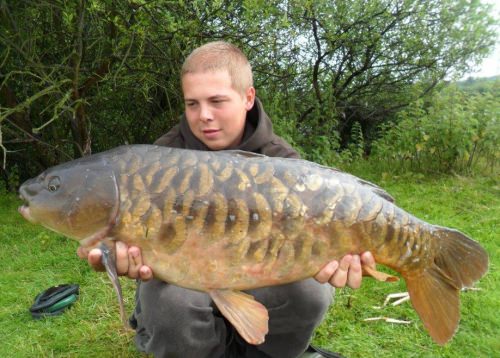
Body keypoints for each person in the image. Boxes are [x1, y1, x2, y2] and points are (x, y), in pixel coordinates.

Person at [78, 41, 376, 358]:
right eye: (192, 104)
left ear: (248, 98)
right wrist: (112, 257)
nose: (204, 115)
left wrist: (342, 256)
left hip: (259, 273)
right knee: (171, 306)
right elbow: (120, 239)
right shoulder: (162, 160)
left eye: (216, 101)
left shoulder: (282, 161)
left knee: (311, 292)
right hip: (183, 279)